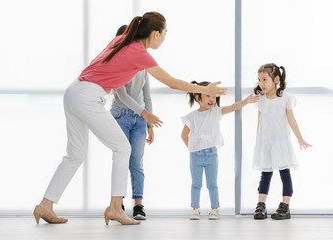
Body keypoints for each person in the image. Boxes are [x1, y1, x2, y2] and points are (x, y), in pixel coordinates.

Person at [33, 11, 227, 226]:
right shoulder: (138, 52)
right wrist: (203, 88)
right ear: (155, 34)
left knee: (75, 154)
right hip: (87, 97)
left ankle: (46, 205)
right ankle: (115, 208)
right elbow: (171, 82)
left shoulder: (121, 40)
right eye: (164, 34)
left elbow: (98, 66)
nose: (164, 38)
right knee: (123, 148)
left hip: (74, 91)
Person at [181, 81, 258, 220]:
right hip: (195, 156)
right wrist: (192, 150)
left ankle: (214, 209)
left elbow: (232, 107)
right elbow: (183, 135)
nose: (212, 100)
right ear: (198, 98)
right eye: (208, 96)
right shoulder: (192, 117)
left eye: (214, 97)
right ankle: (195, 209)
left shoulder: (216, 112)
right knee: (196, 183)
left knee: (212, 183)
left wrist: (246, 101)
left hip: (211, 154)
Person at [252, 63, 312, 220]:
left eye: (265, 79)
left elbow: (291, 119)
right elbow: (259, 121)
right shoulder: (261, 100)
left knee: (285, 174)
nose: (261, 83)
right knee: (265, 175)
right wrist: (258, 141)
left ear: (276, 79)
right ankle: (261, 204)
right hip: (265, 143)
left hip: (280, 142)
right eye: (259, 80)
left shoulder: (285, 98)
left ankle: (285, 206)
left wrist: (300, 138)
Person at [110, 25, 152, 220]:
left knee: (137, 162)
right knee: (121, 160)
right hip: (121, 116)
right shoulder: (117, 63)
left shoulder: (142, 64)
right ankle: (118, 205)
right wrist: (143, 112)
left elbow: (147, 94)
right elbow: (121, 94)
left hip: (140, 119)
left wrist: (150, 122)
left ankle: (138, 205)